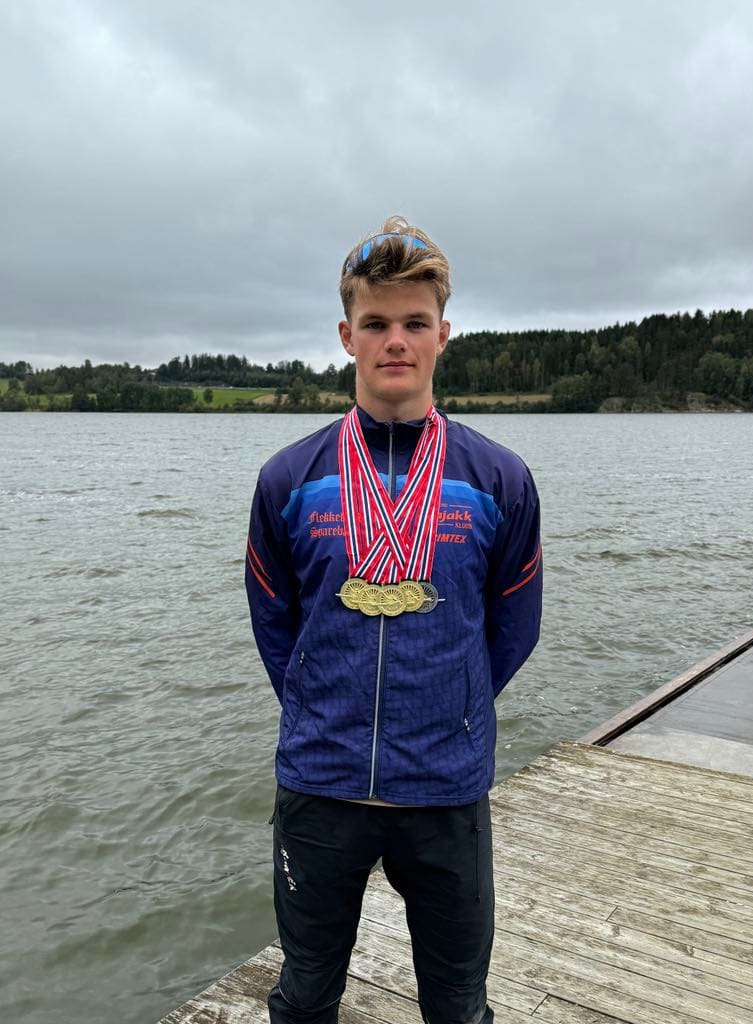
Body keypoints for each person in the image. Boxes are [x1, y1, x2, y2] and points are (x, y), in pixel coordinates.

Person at [245, 216, 542, 1024]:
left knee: (458, 1006)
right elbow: (274, 622)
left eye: (415, 322)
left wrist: (452, 707)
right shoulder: (288, 479)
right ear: (347, 335)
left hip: (445, 789)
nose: (396, 341)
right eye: (376, 323)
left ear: (444, 334)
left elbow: (514, 626)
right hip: (320, 784)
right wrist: (321, 707)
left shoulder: (499, 478)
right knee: (305, 995)